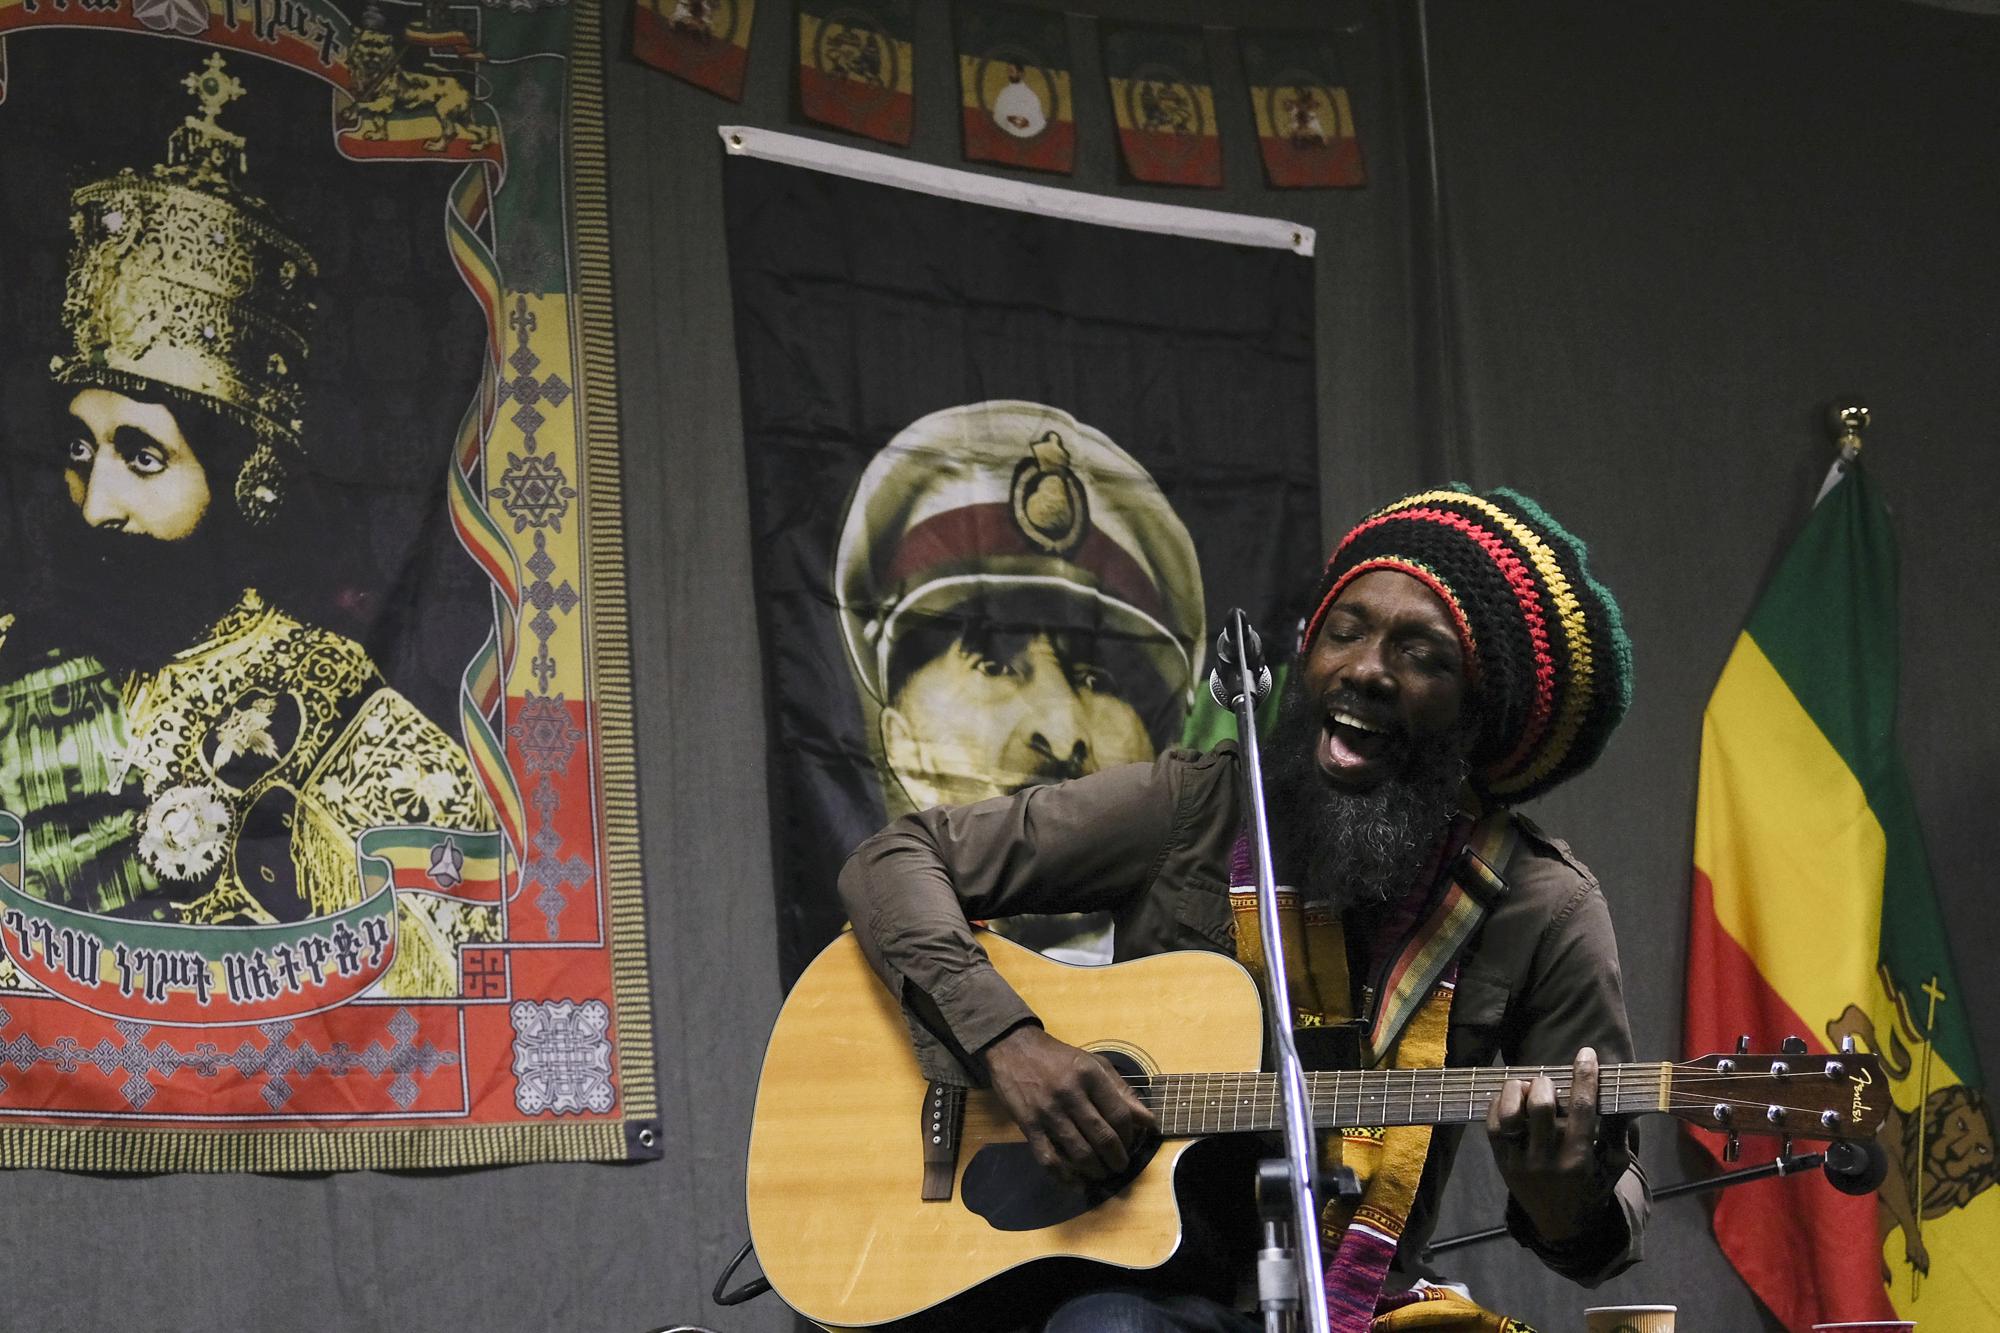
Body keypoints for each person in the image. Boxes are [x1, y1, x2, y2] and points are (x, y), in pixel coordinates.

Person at [839, 486, 1646, 1330]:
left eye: (1422, 655)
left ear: (1480, 713)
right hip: (1138, 1283)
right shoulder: (1202, 804)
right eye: (1346, 630)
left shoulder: (1542, 907)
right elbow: (892, 861)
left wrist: (1560, 1193)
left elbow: (1605, 1220)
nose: (1366, 668)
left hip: (1359, 1299)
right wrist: (1008, 1042)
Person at [0, 53, 496, 996]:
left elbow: (433, 997)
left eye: (142, 456)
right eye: (77, 451)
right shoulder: (13, 662)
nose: (97, 503)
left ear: (245, 478)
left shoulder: (351, 724)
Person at [834, 400, 1205, 964]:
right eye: (994, 664)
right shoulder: (846, 1013)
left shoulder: (1227, 980)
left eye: (1096, 677)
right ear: (902, 743)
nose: (1062, 734)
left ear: (1168, 751)